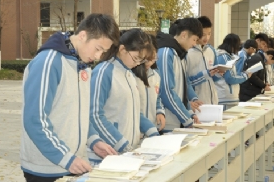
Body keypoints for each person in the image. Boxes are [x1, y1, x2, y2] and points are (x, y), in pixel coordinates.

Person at [20, 13, 119, 182]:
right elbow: (35, 120)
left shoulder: (83, 67)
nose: (98, 57)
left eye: (103, 52)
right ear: (83, 35)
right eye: (98, 48)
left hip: (74, 165)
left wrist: (94, 141)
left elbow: (80, 115)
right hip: (45, 169)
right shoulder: (48, 62)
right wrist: (66, 158)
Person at [89, 29, 159, 161]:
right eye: (136, 58)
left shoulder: (130, 75)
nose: (138, 63)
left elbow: (135, 112)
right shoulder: (104, 72)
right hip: (105, 155)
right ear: (122, 50)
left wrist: (152, 131)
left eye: (141, 60)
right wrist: (120, 143)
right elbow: (94, 114)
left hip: (125, 153)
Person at [156, 18, 203, 131]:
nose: (194, 44)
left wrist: (190, 113)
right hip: (167, 122)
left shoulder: (179, 54)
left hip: (177, 120)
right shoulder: (166, 52)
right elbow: (166, 92)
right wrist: (186, 119)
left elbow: (183, 89)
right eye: (194, 39)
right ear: (184, 35)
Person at [185, 16, 221, 105]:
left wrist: (218, 73)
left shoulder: (211, 50)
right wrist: (205, 74)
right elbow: (185, 82)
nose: (207, 38)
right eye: (203, 34)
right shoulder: (188, 53)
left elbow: (214, 79)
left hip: (213, 102)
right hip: (197, 103)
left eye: (209, 34)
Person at [134, 34, 166, 132]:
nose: (149, 62)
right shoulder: (132, 76)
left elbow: (158, 97)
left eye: (153, 58)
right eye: (147, 58)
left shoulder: (156, 76)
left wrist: (160, 111)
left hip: (152, 129)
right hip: (136, 131)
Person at [215, 33, 251, 110]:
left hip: (227, 97)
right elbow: (230, 78)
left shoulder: (227, 56)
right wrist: (245, 76)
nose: (238, 49)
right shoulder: (224, 57)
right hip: (225, 98)